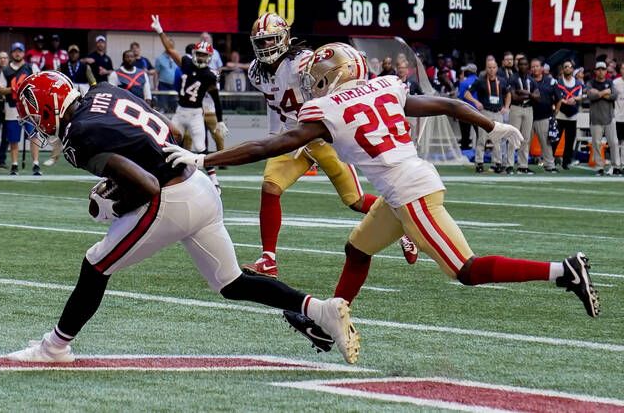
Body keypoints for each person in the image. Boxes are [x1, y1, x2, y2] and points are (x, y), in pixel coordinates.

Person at [163, 43, 600, 352]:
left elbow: (265, 147)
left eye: (319, 77)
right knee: (357, 248)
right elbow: (448, 103)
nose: (314, 84)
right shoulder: (386, 86)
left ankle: (563, 271)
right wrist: (491, 125)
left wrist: (205, 158)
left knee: (465, 270)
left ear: (336, 75)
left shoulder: (325, 109)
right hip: (398, 192)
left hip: (411, 194)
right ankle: (329, 320)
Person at [7, 70, 360, 365]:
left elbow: (146, 186)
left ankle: (54, 347)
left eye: (34, 113)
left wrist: (117, 203)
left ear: (50, 107)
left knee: (96, 264)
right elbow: (168, 129)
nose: (34, 122)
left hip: (169, 197)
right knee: (232, 282)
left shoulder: (79, 135)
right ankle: (321, 310)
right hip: (199, 184)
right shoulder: (104, 90)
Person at [239, 13, 417, 278]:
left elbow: (340, 82)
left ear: (285, 38)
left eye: (272, 40)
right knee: (270, 187)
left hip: (323, 135)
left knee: (355, 201)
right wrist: (273, 136)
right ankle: (268, 259)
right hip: (292, 137)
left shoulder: (304, 62)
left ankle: (403, 224)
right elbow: (273, 105)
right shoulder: (256, 71)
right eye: (262, 42)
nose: (266, 47)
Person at [150, 15, 228, 192]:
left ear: (209, 57)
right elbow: (170, 49)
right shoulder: (186, 63)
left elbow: (216, 99)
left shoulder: (209, 75)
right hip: (179, 112)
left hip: (195, 115)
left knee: (201, 148)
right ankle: (161, 175)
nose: (200, 57)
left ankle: (215, 182)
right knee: (166, 142)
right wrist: (160, 31)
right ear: (194, 54)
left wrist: (221, 120)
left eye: (203, 55)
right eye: (198, 54)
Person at [45, 44, 96, 168]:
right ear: (68, 54)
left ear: (78, 54)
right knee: (60, 128)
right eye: (71, 52)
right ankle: (54, 156)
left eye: (75, 52)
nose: (73, 54)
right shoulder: (62, 66)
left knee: (84, 128)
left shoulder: (85, 67)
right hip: (65, 102)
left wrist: (91, 97)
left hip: (81, 100)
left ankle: (87, 155)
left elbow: (93, 83)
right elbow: (55, 82)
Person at [0, 42, 41, 175]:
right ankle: (14, 164)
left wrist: (26, 88)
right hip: (12, 107)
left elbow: (39, 83)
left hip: (29, 107)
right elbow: (1, 89)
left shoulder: (31, 67)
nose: (17, 53)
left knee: (33, 135)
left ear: (23, 52)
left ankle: (36, 164)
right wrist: (14, 89)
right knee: (13, 138)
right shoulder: (6, 70)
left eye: (20, 51)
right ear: (12, 53)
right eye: (15, 51)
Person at [464, 58, 510, 173]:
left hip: (498, 112)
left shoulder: (502, 80)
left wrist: (507, 106)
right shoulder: (480, 80)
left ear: (497, 68)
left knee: (497, 140)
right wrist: (476, 102)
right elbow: (466, 94)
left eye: (494, 67)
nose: (491, 70)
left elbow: (508, 93)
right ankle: (479, 163)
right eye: (489, 67)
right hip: (485, 113)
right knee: (482, 139)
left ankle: (497, 163)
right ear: (486, 68)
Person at [587, 61, 620, 176]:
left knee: (614, 143)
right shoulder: (590, 83)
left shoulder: (610, 82)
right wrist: (605, 92)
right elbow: (590, 96)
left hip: (609, 118)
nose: (601, 71)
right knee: (596, 144)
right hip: (596, 119)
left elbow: (615, 96)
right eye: (599, 69)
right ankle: (599, 167)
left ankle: (616, 166)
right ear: (595, 71)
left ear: (606, 71)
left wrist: (599, 94)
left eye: (603, 69)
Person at [508, 56, 539, 174]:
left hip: (528, 109)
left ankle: (523, 165)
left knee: (526, 138)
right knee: (512, 136)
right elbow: (514, 97)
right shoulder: (513, 78)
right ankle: (509, 164)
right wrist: (530, 95)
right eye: (521, 64)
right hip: (516, 108)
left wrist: (527, 93)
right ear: (518, 66)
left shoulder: (532, 80)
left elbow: (538, 97)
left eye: (525, 64)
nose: (523, 66)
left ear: (528, 67)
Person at [531, 58, 562, 173]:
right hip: (529, 115)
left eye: (537, 66)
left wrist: (556, 112)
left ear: (542, 68)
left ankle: (549, 165)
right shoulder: (528, 80)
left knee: (546, 143)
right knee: (525, 142)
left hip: (544, 116)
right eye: (533, 67)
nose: (535, 69)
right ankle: (522, 165)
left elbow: (559, 98)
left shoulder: (551, 81)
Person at [556, 59, 583, 170]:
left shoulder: (578, 83)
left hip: (572, 115)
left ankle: (566, 162)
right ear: (563, 69)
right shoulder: (558, 82)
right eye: (565, 66)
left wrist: (574, 99)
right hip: (561, 114)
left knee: (570, 140)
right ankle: (551, 160)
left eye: (569, 66)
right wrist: (563, 101)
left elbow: (581, 96)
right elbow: (556, 95)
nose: (567, 68)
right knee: (556, 138)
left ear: (572, 69)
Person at [154, 38, 179, 113]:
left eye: (172, 45)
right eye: (169, 45)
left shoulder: (176, 57)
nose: (170, 47)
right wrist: (155, 87)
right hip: (163, 85)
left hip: (175, 85)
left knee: (174, 106)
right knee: (163, 107)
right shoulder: (160, 58)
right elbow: (156, 73)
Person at [457, 63, 478, 150]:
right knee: (479, 133)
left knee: (465, 133)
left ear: (468, 72)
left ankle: (465, 150)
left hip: (466, 110)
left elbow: (460, 97)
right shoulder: (480, 81)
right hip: (478, 110)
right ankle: (479, 150)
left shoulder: (464, 83)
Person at [613, 63, 624, 174]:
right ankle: (616, 166)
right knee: (616, 143)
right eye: (623, 68)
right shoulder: (615, 83)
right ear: (620, 70)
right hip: (617, 117)